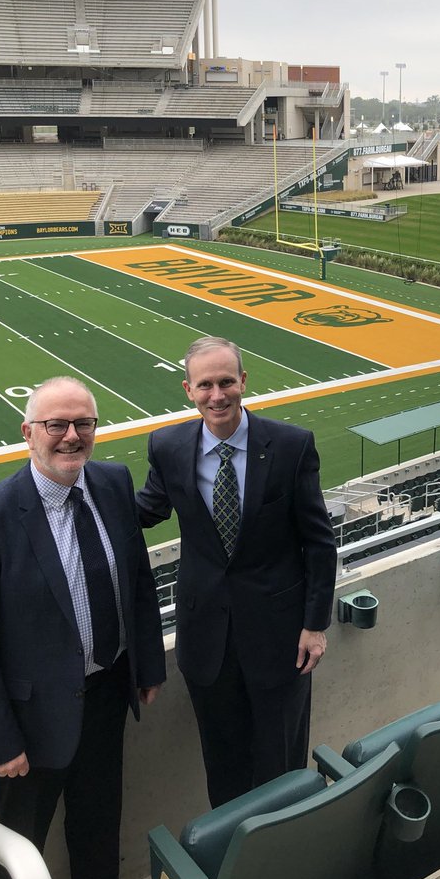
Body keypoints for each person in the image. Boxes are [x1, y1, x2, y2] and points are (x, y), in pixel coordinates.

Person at [0, 377, 166, 879]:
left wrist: (148, 664)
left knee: (98, 831)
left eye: (83, 423)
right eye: (56, 424)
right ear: (28, 432)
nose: (71, 435)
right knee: (19, 852)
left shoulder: (112, 483)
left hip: (107, 698)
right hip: (28, 722)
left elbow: (136, 580)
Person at [136, 336, 337, 807]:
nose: (217, 395)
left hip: (281, 639)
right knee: (222, 766)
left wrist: (315, 624)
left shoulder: (290, 446)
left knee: (281, 765)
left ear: (243, 381)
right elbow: (147, 509)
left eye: (226, 382)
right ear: (188, 389)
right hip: (207, 639)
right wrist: (80, 493)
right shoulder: (167, 446)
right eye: (205, 385)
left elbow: (319, 541)